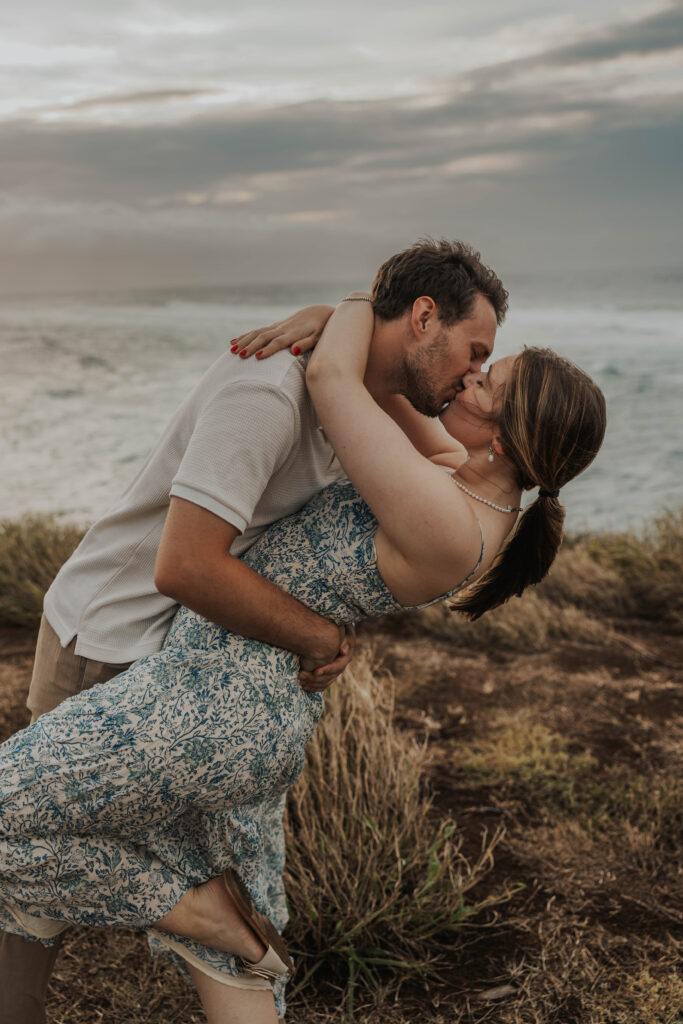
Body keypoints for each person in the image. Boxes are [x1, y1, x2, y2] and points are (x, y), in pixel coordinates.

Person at [0, 287, 606, 1023]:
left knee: (164, 894)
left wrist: (345, 309)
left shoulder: (445, 518)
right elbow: (384, 398)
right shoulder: (469, 486)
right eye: (478, 360)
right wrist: (351, 326)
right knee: (239, 958)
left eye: (488, 379)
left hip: (203, 707)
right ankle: (213, 922)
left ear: (508, 440)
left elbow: (334, 384)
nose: (470, 378)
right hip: (254, 706)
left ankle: (188, 910)